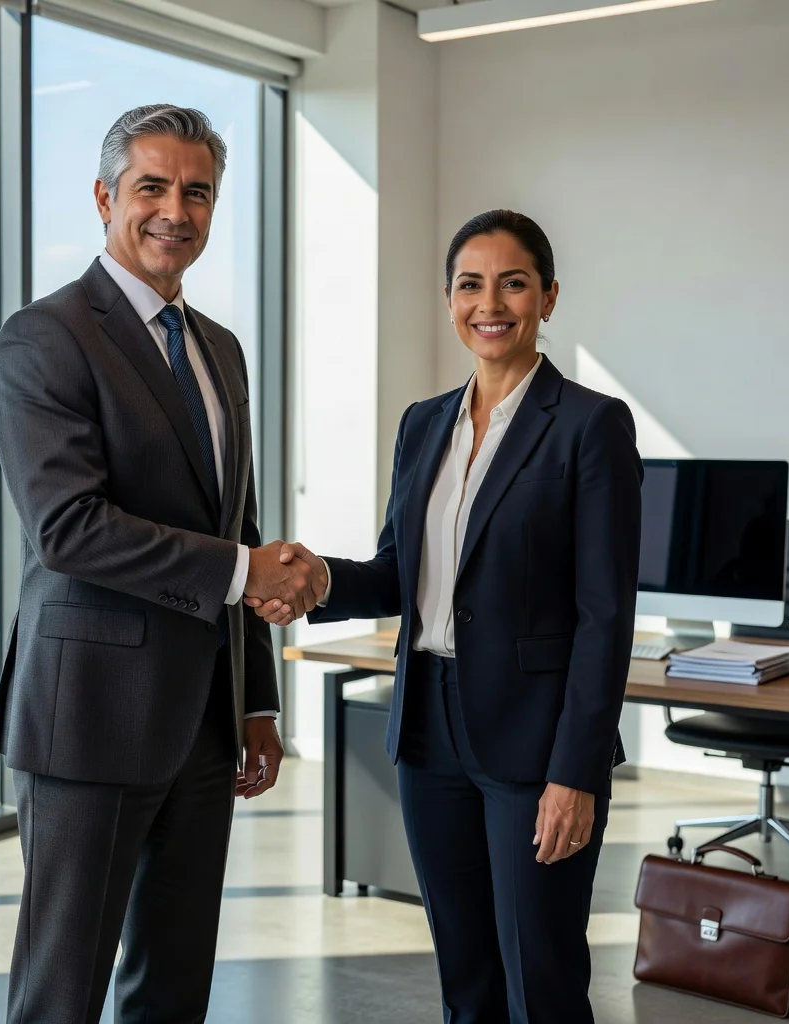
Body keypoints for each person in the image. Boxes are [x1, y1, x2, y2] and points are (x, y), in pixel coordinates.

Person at [249, 210, 643, 1023]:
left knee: (542, 980)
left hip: (535, 740)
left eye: (513, 283)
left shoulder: (589, 425)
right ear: (449, 299)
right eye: (470, 285)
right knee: (466, 978)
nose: (489, 304)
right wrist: (318, 581)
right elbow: (401, 572)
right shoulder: (423, 423)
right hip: (429, 731)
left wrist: (577, 773)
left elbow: (605, 618)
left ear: (548, 297)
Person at [0, 104, 324, 1024]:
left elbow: (236, 523)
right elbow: (68, 528)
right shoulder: (46, 336)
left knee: (174, 985)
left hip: (206, 723)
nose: (176, 210)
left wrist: (255, 700)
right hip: (89, 717)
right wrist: (246, 571)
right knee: (62, 991)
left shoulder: (220, 349)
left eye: (197, 192)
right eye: (152, 187)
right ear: (106, 199)